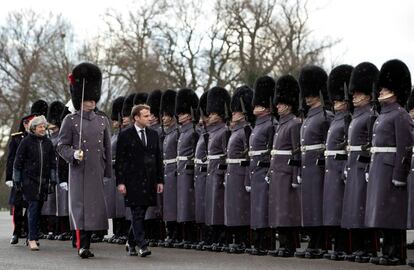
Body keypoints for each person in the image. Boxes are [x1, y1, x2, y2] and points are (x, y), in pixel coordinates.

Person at [57, 62, 112, 258]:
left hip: (96, 168)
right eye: (88, 99)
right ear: (81, 100)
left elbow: (107, 147)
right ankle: (82, 244)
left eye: (93, 99)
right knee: (80, 208)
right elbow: (61, 146)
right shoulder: (70, 121)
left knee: (94, 208)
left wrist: (108, 172)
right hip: (79, 169)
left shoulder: (102, 120)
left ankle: (88, 243)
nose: (91, 103)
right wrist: (73, 154)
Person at [365, 59, 413, 266]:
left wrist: (399, 175)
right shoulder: (383, 114)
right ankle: (387, 251)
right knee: (383, 212)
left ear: (394, 91)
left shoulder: (400, 114)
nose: (381, 91)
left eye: (385, 89)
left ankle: (396, 253)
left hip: (391, 167)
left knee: (394, 214)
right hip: (379, 166)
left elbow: (405, 147)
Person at [341, 62, 380, 263]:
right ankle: (357, 246)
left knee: (364, 208)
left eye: (358, 93)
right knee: (354, 209)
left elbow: (370, 145)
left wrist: (365, 167)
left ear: (368, 94)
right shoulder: (355, 116)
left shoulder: (371, 116)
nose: (353, 96)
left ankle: (369, 248)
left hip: (363, 166)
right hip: (353, 164)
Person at [295, 65, 333, 259]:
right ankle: (313, 241)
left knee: (319, 205)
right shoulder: (309, 116)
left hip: (318, 166)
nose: (307, 97)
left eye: (310, 93)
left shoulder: (326, 115)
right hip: (307, 165)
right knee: (309, 205)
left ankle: (320, 242)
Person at [115, 104, 164, 257]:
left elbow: (158, 159)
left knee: (141, 214)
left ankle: (130, 242)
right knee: (137, 213)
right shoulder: (125, 135)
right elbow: (120, 161)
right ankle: (142, 245)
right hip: (132, 181)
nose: (149, 118)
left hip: (148, 180)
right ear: (136, 117)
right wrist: (120, 182)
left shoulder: (154, 134)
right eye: (145, 116)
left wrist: (159, 180)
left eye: (149, 115)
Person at [268, 75, 302, 257]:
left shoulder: (294, 124)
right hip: (277, 172)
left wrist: (296, 173)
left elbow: (297, 151)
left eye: (281, 103)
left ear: (288, 104)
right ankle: (283, 244)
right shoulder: (281, 125)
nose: (277, 106)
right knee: (278, 210)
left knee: (287, 211)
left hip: (287, 173)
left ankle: (289, 246)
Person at [322, 65, 354, 260]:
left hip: (342, 166)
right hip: (331, 167)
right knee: (333, 208)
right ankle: (338, 245)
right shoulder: (335, 119)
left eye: (339, 99)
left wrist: (344, 168)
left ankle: (345, 246)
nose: (335, 102)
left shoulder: (347, 119)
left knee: (343, 208)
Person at [13, 115, 56, 251]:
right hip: (29, 181)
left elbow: (53, 164)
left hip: (43, 182)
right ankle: (32, 238)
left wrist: (53, 180)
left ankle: (32, 236)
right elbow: (17, 163)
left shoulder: (48, 143)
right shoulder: (26, 141)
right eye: (40, 127)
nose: (43, 129)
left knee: (37, 210)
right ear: (33, 128)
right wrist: (17, 180)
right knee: (33, 208)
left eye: (44, 126)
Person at [246, 76, 276, 255]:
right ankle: (257, 241)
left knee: (264, 209)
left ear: (265, 107)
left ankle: (266, 242)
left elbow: (271, 150)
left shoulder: (271, 125)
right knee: (256, 209)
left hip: (264, 169)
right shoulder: (258, 125)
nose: (255, 107)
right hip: (255, 169)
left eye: (259, 105)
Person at [224, 85, 253, 253]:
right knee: (234, 208)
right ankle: (237, 238)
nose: (233, 113)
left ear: (243, 112)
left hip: (241, 173)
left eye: (236, 111)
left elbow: (249, 156)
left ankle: (244, 240)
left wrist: (248, 178)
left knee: (242, 208)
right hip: (232, 172)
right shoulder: (235, 130)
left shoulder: (247, 130)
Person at [175, 88, 199, 248]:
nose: (179, 115)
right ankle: (185, 236)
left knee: (189, 205)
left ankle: (192, 236)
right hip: (181, 169)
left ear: (190, 114)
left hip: (189, 171)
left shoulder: (193, 131)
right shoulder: (182, 131)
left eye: (183, 113)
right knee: (182, 205)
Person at [5, 114, 33, 245]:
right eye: (26, 122)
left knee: (30, 207)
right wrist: (9, 177)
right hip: (18, 176)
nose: (28, 124)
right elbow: (10, 159)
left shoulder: (36, 138)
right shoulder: (17, 138)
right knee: (17, 206)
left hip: (31, 177)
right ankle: (16, 232)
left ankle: (28, 233)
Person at [159, 90, 180, 248]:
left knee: (174, 204)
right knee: (168, 204)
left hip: (174, 170)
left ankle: (176, 234)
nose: (163, 118)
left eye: (166, 115)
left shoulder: (177, 132)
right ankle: (170, 232)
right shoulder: (166, 133)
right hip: (167, 170)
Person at [192, 91, 210, 250]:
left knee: (208, 207)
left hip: (207, 172)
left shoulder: (211, 132)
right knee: (200, 206)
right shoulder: (203, 132)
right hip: (199, 172)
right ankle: (202, 236)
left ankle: (209, 237)